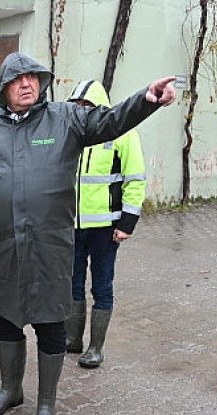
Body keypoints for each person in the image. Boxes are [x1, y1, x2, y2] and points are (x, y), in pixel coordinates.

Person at [0, 52, 175, 415]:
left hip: (51, 247)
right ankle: (10, 390)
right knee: (7, 318)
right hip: (4, 247)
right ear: (4, 88)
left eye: (33, 77)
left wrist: (145, 100)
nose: (27, 84)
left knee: (51, 324)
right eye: (18, 79)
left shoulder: (65, 119)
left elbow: (111, 121)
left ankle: (46, 405)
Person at [65, 79, 147, 369]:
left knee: (101, 287)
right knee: (72, 284)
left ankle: (95, 348)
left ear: (99, 106)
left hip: (106, 229)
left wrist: (127, 223)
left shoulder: (123, 133)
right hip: (73, 226)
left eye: (85, 105)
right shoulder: (72, 133)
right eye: (75, 105)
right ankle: (72, 340)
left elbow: (135, 179)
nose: (80, 110)